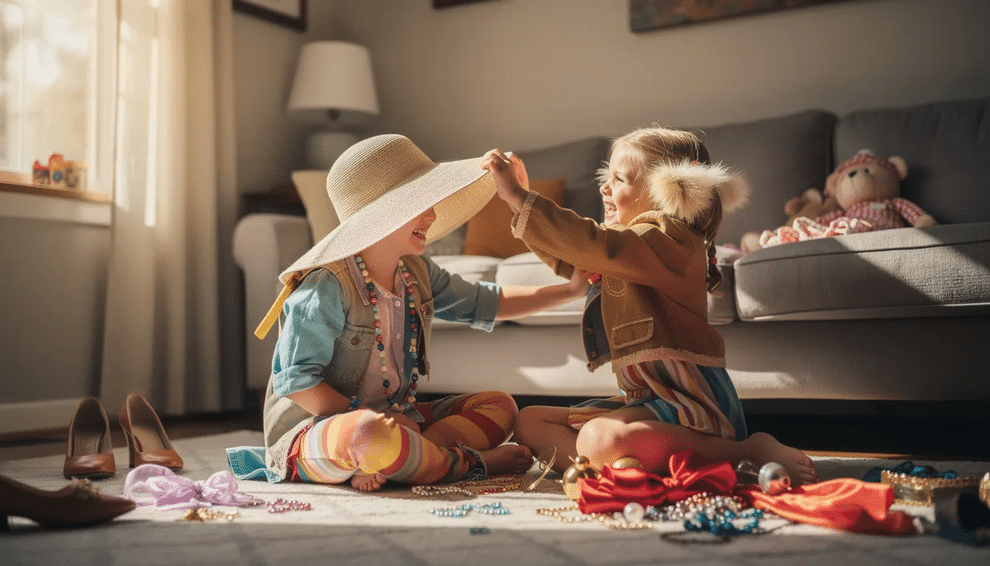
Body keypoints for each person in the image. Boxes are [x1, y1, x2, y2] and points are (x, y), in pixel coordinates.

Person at [480, 126, 819, 485]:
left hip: (691, 408)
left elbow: (594, 245)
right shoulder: (627, 248)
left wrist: (520, 197)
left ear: (666, 194)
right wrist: (518, 201)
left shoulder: (669, 240)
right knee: (529, 420)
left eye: (619, 179)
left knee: (596, 438)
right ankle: (618, 467)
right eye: (605, 177)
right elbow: (573, 259)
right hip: (649, 403)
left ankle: (747, 450)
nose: (604, 188)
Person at [251, 134, 588, 492]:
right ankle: (468, 463)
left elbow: (488, 302)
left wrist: (569, 290)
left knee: (500, 405)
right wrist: (377, 419)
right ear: (377, 214)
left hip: (400, 422)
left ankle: (401, 458)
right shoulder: (326, 286)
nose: (433, 215)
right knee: (368, 433)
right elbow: (298, 384)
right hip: (319, 430)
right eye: (419, 204)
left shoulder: (416, 273)